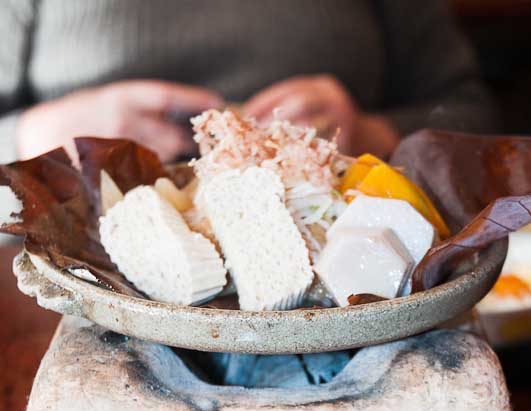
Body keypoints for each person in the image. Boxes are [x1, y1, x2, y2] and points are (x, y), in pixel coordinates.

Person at [0, 0, 495, 165]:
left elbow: (475, 117)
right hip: (68, 287)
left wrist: (369, 134)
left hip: (341, 278)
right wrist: (34, 138)